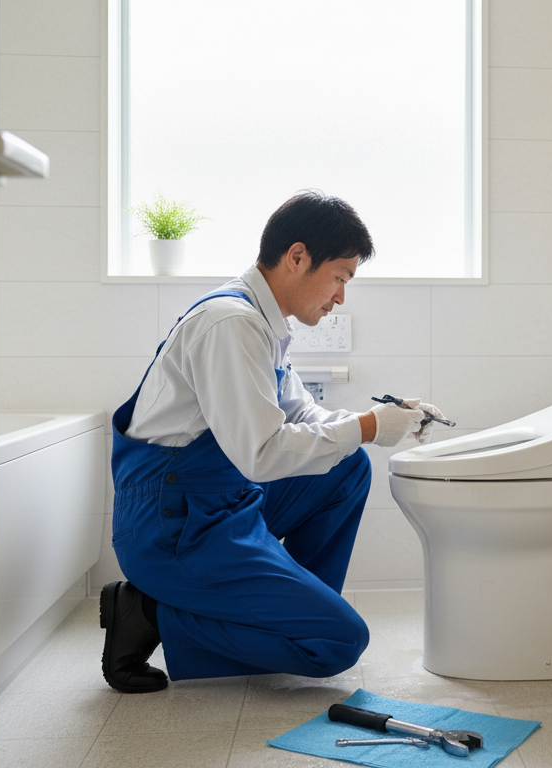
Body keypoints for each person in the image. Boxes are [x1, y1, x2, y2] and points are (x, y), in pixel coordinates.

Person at [99, 190, 443, 692]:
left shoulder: (263, 322)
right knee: (337, 643)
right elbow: (261, 453)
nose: (341, 296)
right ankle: (147, 611)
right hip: (173, 525)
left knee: (347, 466)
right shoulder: (232, 323)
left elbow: (299, 411)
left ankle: (285, 611)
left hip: (218, 500)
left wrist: (379, 420)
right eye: (340, 278)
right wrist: (367, 428)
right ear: (297, 256)